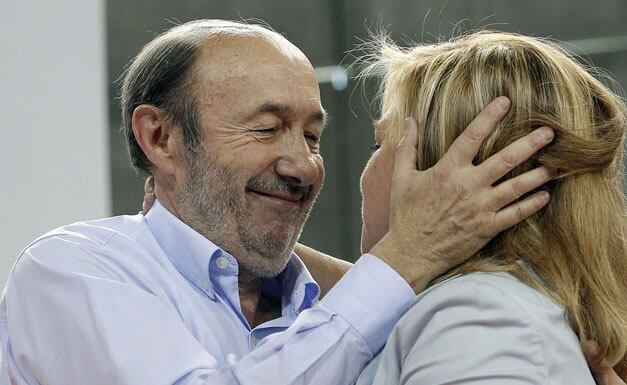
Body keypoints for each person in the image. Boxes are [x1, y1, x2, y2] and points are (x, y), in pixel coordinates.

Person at [0, 19, 589, 384]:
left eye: (312, 135)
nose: (304, 165)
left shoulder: (381, 304)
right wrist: (403, 259)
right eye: (266, 128)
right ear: (161, 137)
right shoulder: (72, 270)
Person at [352, 31, 627, 385]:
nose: (365, 172)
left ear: (446, 178)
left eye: (378, 144)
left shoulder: (473, 317)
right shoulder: (498, 310)